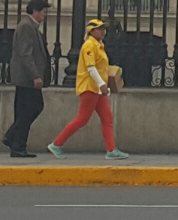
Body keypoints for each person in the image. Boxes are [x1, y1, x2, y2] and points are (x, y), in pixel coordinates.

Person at [47, 18, 129, 159]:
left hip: (96, 88)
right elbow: (91, 68)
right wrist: (101, 84)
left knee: (107, 118)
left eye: (103, 29)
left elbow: (99, 66)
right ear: (91, 31)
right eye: (100, 29)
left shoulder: (98, 45)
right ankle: (56, 144)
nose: (103, 31)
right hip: (90, 87)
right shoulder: (89, 46)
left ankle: (111, 150)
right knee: (82, 119)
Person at [2, 0, 50, 158]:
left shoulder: (30, 26)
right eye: (43, 12)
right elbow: (25, 53)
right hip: (26, 78)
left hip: (27, 78)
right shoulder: (26, 26)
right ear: (35, 11)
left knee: (25, 111)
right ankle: (15, 141)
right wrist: (35, 75)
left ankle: (16, 142)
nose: (45, 15)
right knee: (33, 108)